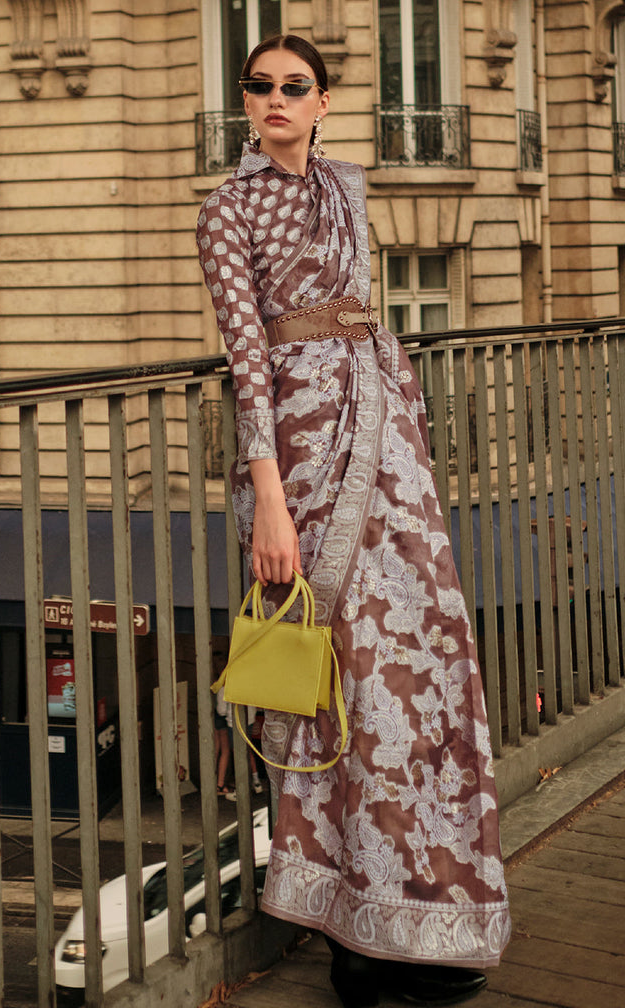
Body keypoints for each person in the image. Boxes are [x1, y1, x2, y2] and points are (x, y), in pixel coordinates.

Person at [196, 34, 511, 1008]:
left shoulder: (351, 185)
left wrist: (397, 424)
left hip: (386, 429)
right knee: (335, 675)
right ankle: (351, 935)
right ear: (245, 101)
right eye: (260, 87)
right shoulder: (227, 209)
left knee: (420, 661)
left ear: (323, 99)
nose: (276, 99)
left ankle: (428, 915)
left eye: (295, 86)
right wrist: (271, 503)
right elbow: (249, 363)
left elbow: (362, 308)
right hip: (298, 453)